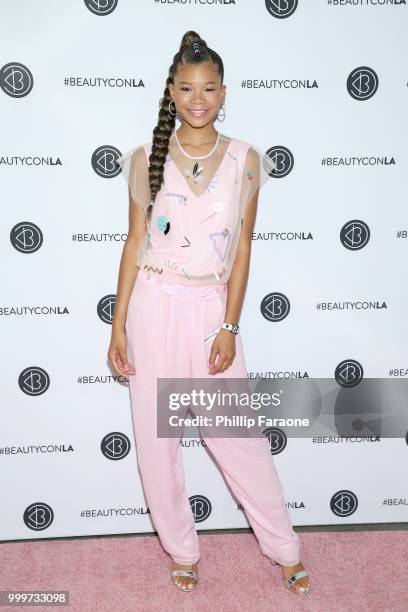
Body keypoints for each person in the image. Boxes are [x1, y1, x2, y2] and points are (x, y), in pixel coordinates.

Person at [108, 30, 311, 597]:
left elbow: (243, 248)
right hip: (152, 308)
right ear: (171, 92)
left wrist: (229, 325)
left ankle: (284, 549)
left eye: (210, 88)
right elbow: (133, 244)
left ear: (224, 93)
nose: (199, 98)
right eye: (187, 87)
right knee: (156, 445)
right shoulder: (145, 159)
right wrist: (118, 323)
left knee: (237, 438)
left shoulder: (247, 159)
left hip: (208, 314)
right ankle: (182, 551)